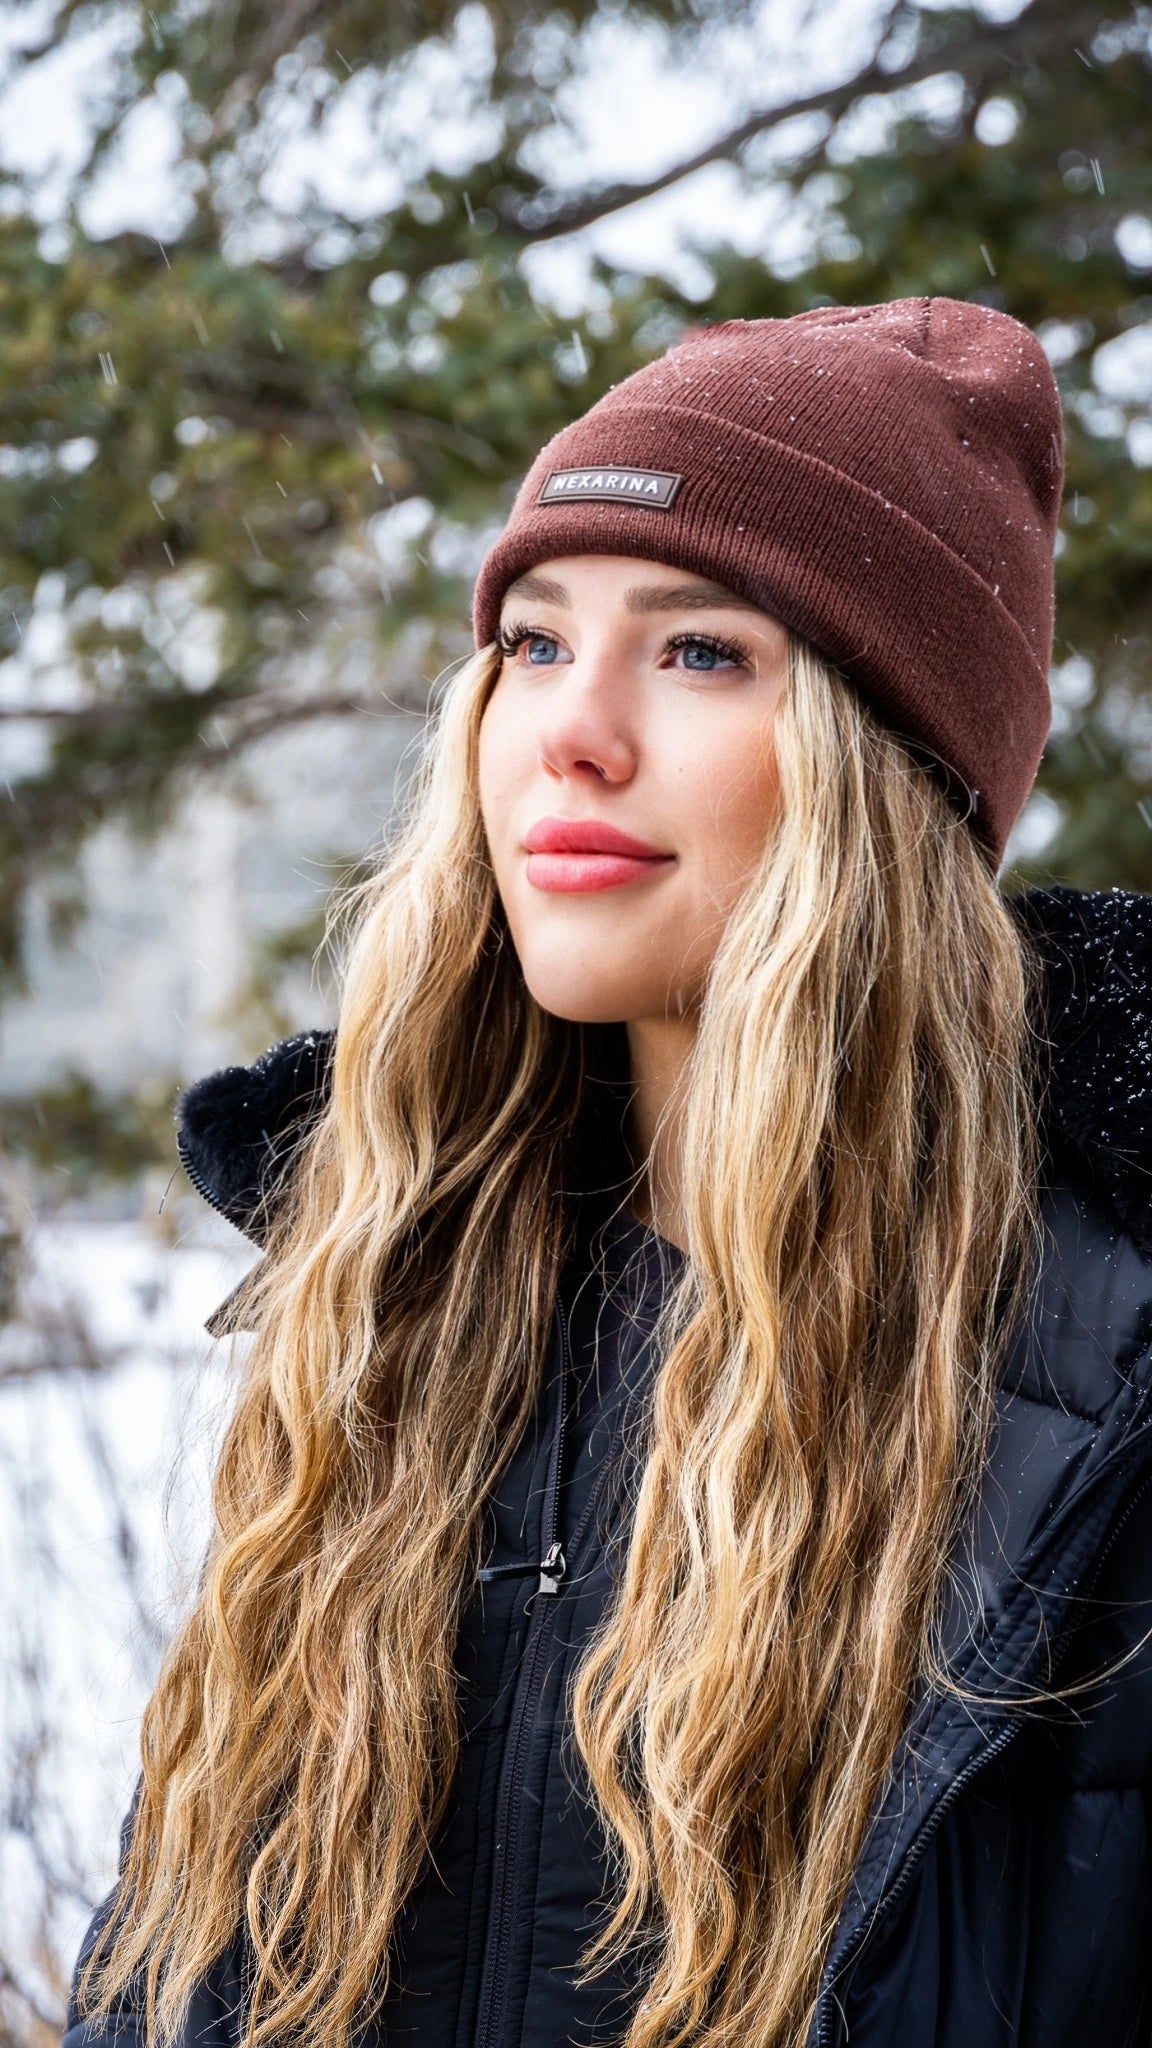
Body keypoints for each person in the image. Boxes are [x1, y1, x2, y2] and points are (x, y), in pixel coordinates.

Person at [66, 298, 1152, 2048]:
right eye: (537, 643)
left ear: (894, 769)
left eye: (702, 650)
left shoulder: (1100, 1392)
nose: (571, 731)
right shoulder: (390, 1291)